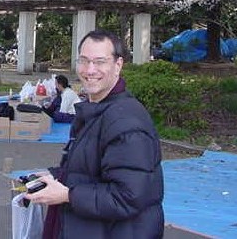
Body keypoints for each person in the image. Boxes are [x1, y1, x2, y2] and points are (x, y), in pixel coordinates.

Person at [25, 29, 164, 238]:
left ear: (118, 65)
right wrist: (56, 176)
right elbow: (91, 169)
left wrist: (67, 194)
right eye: (84, 60)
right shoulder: (95, 109)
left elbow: (127, 197)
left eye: (100, 62)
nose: (90, 70)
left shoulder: (126, 122)